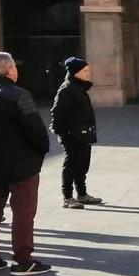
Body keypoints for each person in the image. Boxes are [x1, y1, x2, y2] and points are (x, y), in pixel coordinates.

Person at [0, 52, 52, 276]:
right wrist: (42, 149)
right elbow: (35, 129)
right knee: (23, 210)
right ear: (9, 70)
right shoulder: (19, 95)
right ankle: (23, 260)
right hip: (21, 163)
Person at [50, 57, 102, 209]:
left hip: (84, 133)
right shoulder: (67, 89)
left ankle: (82, 194)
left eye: (88, 70)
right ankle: (67, 197)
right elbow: (57, 113)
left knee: (82, 164)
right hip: (72, 134)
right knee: (71, 165)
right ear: (74, 72)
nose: (88, 73)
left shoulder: (79, 87)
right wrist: (64, 133)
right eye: (84, 71)